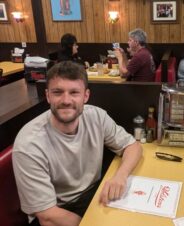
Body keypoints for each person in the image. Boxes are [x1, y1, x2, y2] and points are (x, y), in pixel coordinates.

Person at [12, 61, 143, 226]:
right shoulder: (29, 144)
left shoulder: (96, 117)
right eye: (58, 92)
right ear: (48, 96)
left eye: (74, 92)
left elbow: (133, 146)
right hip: (58, 211)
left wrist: (120, 176)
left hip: (93, 196)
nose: (66, 100)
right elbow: (47, 216)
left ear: (85, 96)